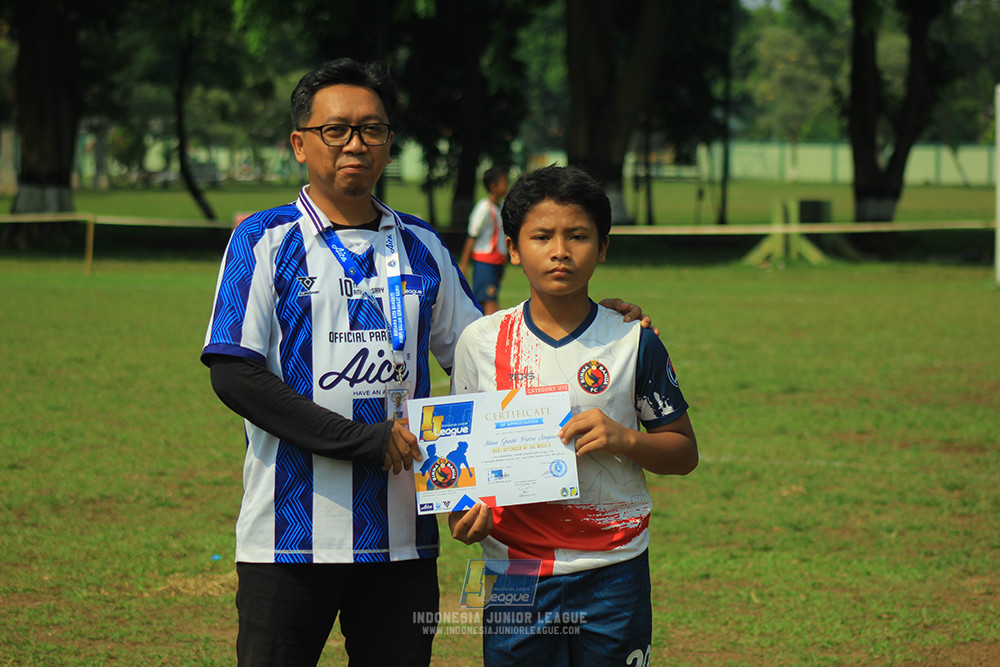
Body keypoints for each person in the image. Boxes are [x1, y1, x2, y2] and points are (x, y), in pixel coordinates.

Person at [201, 58, 653, 667]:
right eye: (336, 130)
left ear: (389, 144)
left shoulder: (422, 247)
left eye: (372, 129)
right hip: (287, 539)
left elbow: (491, 351)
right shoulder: (263, 239)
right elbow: (235, 375)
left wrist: (594, 318)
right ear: (300, 144)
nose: (355, 144)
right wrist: (363, 440)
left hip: (403, 542)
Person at [447, 165, 699, 667]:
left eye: (578, 236)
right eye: (542, 236)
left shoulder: (632, 340)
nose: (560, 250)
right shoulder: (480, 342)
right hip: (515, 569)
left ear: (602, 247)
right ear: (513, 248)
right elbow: (460, 459)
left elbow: (684, 452)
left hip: (613, 566)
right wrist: (462, 515)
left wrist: (624, 438)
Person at [459, 166, 509, 314]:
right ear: (493, 186)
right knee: (490, 302)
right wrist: (464, 265)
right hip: (485, 262)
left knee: (484, 301)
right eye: (504, 182)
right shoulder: (483, 208)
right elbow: (471, 236)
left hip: (498, 261)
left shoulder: (501, 207)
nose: (507, 185)